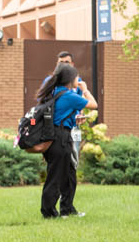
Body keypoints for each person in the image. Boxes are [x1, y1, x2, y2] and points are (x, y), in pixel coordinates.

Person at [37, 63, 96, 218]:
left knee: (69, 173)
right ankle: (48, 212)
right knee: (55, 177)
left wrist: (74, 118)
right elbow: (93, 104)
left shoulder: (54, 92)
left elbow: (60, 114)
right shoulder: (69, 96)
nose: (78, 78)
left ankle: (67, 208)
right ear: (70, 79)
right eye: (76, 76)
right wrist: (85, 90)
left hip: (56, 136)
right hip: (60, 139)